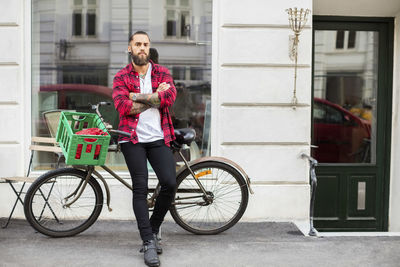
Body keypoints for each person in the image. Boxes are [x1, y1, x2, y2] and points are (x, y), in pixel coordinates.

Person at [112, 31, 177, 267]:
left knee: (170, 183)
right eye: (137, 44)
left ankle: (153, 228)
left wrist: (138, 96)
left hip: (159, 137)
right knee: (140, 187)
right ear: (130, 48)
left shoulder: (162, 72)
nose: (142, 48)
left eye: (145, 44)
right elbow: (122, 106)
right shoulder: (121, 76)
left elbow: (169, 97)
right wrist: (154, 96)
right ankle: (148, 242)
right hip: (132, 138)